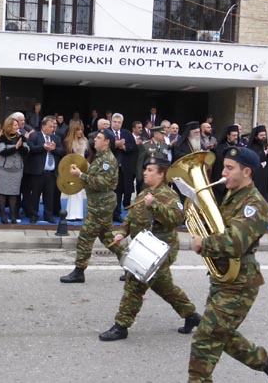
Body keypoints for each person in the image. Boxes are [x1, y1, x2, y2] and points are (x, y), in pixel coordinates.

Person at [189, 146, 268, 383]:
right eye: (224, 166)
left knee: (205, 340)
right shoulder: (232, 194)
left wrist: (204, 243)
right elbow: (220, 228)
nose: (223, 172)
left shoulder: (255, 205)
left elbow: (235, 241)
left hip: (240, 284)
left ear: (246, 171)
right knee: (222, 334)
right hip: (224, 277)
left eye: (229, 168)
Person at [99, 157, 201, 341]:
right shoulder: (144, 193)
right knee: (164, 287)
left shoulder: (169, 196)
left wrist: (153, 204)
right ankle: (191, 316)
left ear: (161, 175)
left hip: (160, 250)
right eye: (145, 169)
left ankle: (121, 326)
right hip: (144, 247)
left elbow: (176, 219)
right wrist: (122, 232)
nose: (145, 172)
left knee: (134, 284)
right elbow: (132, 216)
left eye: (151, 170)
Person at [60, 129, 124, 283]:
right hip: (98, 202)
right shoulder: (100, 158)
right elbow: (94, 178)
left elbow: (102, 183)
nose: (95, 140)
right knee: (107, 237)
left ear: (107, 142)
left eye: (99, 138)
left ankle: (79, 272)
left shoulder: (108, 160)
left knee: (85, 236)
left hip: (101, 204)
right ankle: (131, 266)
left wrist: (80, 175)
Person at [24, 116, 65, 224]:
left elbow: (62, 152)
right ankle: (34, 214)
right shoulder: (35, 136)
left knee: (49, 195)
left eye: (53, 126)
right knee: (35, 195)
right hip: (37, 172)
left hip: (51, 173)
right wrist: (43, 147)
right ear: (43, 127)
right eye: (50, 126)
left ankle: (48, 215)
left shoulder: (56, 138)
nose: (53, 128)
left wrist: (54, 149)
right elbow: (31, 149)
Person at [0, 113, 30, 224]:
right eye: (15, 125)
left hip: (17, 169)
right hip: (4, 169)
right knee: (2, 192)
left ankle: (13, 214)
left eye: (17, 125)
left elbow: (26, 151)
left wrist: (20, 147)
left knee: (14, 192)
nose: (17, 127)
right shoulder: (2, 137)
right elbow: (2, 152)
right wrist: (15, 147)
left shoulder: (21, 137)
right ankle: (2, 215)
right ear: (9, 126)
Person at [109, 113, 136, 222]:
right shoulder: (107, 133)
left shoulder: (127, 133)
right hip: (110, 168)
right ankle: (108, 214)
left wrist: (123, 146)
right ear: (111, 122)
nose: (116, 124)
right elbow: (102, 146)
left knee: (119, 192)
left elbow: (133, 146)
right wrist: (116, 145)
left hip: (123, 168)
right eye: (114, 122)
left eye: (119, 122)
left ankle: (117, 214)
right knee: (110, 192)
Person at [63, 121, 91, 221]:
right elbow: (68, 156)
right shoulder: (68, 141)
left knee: (79, 191)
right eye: (78, 130)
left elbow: (89, 154)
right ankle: (71, 214)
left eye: (81, 130)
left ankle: (78, 214)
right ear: (73, 131)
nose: (80, 132)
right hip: (72, 168)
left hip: (83, 167)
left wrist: (86, 163)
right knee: (73, 191)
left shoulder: (85, 141)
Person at [211, 125, 239, 204]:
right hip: (222, 184)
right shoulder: (220, 148)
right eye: (233, 135)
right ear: (228, 136)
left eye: (237, 135)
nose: (236, 137)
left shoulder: (239, 147)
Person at [246, 125, 268, 201]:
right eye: (261, 135)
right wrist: (266, 152)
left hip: (266, 179)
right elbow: (255, 158)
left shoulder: (266, 145)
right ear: (256, 137)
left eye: (265, 135)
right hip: (256, 178)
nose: (264, 137)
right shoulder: (251, 147)